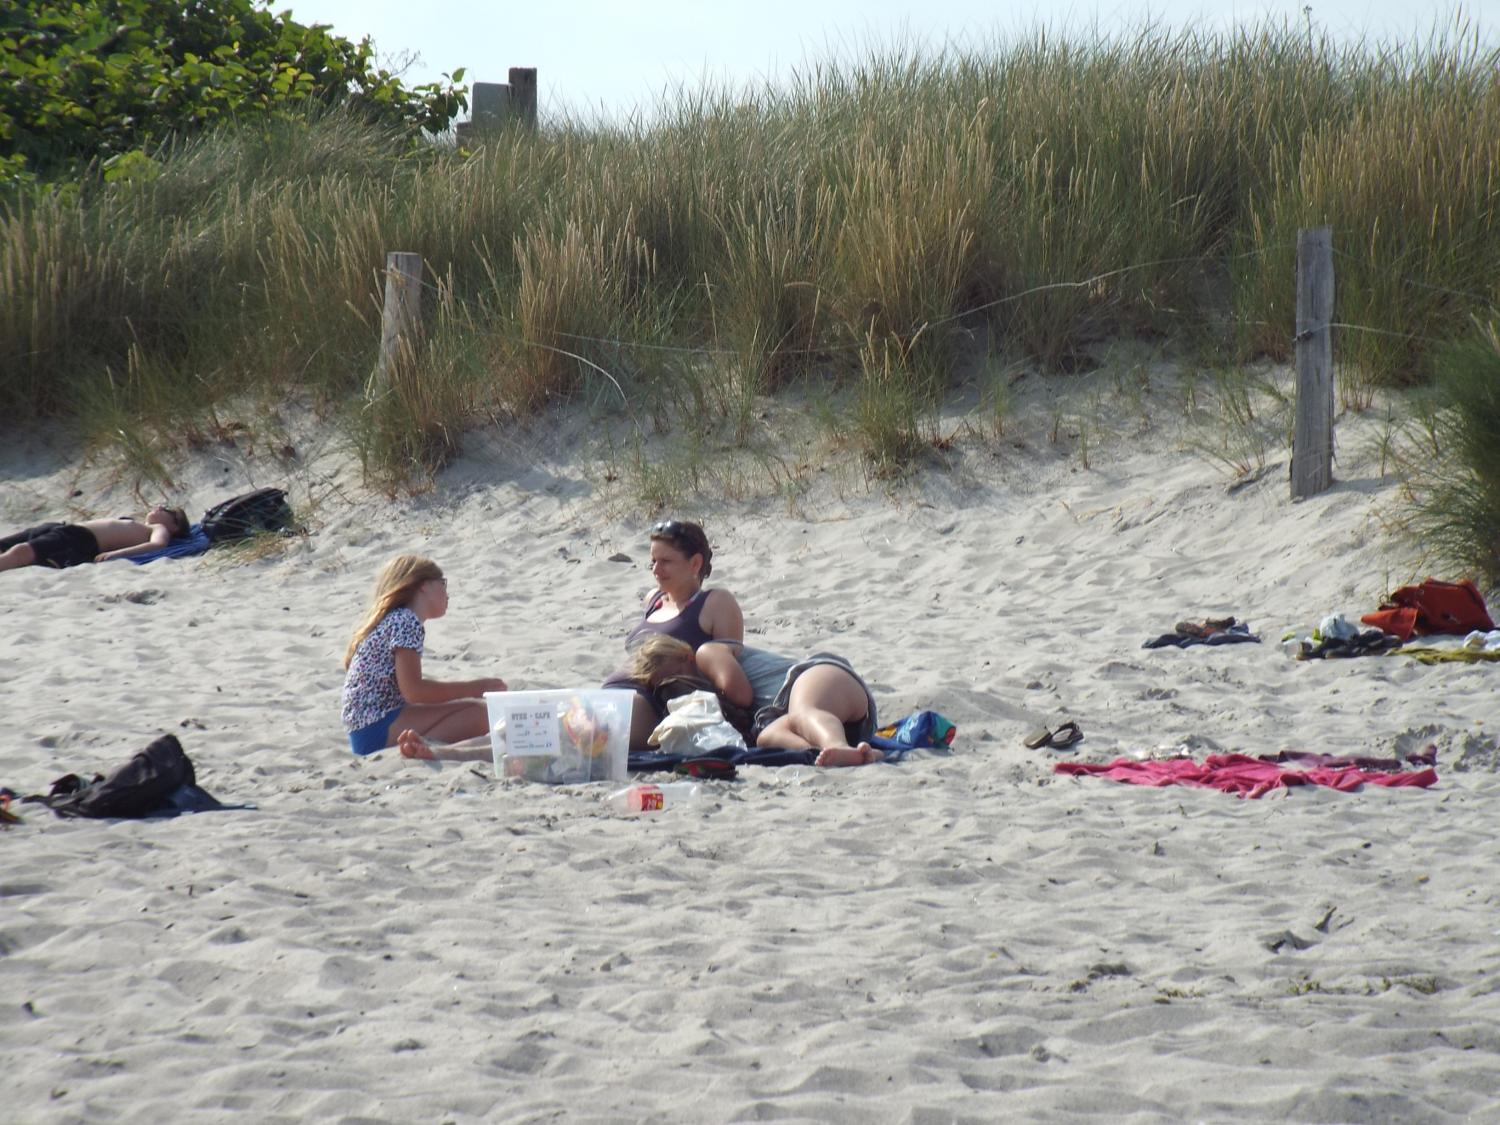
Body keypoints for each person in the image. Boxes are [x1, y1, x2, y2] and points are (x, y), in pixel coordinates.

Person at [341, 555, 508, 759]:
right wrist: (476, 688)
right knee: (480, 714)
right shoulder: (405, 620)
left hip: (366, 728)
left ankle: (429, 747)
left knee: (476, 711)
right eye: (442, 583)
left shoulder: (395, 620)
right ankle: (434, 750)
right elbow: (414, 691)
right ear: (423, 586)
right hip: (376, 727)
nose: (447, 593)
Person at [635, 635, 883, 768]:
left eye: (675, 675)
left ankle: (836, 745)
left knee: (804, 711)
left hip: (818, 676)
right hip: (812, 717)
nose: (677, 685)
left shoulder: (706, 653)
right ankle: (849, 753)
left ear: (685, 657)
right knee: (768, 738)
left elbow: (741, 695)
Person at [604, 519, 746, 750]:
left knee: (591, 735)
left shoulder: (715, 603)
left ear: (695, 563)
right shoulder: (653, 600)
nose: (656, 570)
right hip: (617, 694)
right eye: (653, 561)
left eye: (666, 562)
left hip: (654, 705)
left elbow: (728, 677)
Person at [0, 505, 191, 572]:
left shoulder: (158, 529)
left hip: (79, 539)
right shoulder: (139, 524)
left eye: (166, 509)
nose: (159, 507)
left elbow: (158, 545)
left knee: (20, 552)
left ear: (174, 526)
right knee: (8, 544)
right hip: (64, 529)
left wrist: (117, 553)